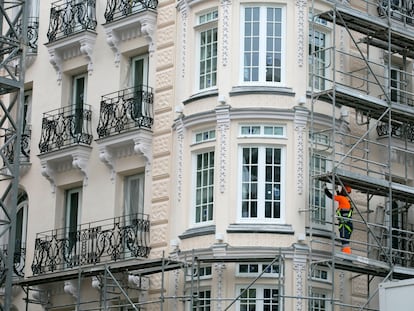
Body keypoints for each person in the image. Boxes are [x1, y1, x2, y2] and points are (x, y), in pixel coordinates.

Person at [324, 184, 353, 254]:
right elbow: (340, 197)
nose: (341, 191)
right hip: (348, 225)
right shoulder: (347, 200)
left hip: (344, 225)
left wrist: (325, 189)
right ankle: (346, 254)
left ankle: (347, 257)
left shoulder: (342, 198)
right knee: (346, 242)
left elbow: (331, 196)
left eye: (342, 190)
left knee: (344, 241)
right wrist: (336, 190)